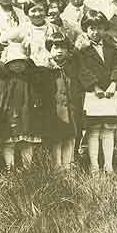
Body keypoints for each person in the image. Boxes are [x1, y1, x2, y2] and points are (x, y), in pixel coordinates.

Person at [77, 9, 117, 174]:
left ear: (105, 28)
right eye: (91, 28)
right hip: (92, 96)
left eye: (99, 27)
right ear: (85, 29)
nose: (95, 32)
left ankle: (108, 164)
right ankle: (93, 165)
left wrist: (114, 84)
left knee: (108, 130)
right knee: (93, 130)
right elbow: (82, 71)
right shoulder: (82, 51)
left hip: (110, 95)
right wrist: (94, 87)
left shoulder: (111, 47)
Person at [0, 42, 42, 172]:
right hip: (9, 114)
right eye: (14, 62)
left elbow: (37, 74)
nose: (18, 65)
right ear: (7, 64)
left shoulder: (30, 77)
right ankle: (10, 166)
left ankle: (27, 166)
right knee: (9, 142)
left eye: (21, 62)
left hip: (26, 114)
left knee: (27, 142)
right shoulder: (3, 78)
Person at [37, 31, 83, 171]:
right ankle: (57, 166)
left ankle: (67, 166)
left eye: (63, 48)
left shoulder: (72, 67)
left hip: (71, 109)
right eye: (55, 48)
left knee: (70, 138)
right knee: (56, 139)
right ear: (49, 50)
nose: (59, 51)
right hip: (54, 111)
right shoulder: (45, 70)